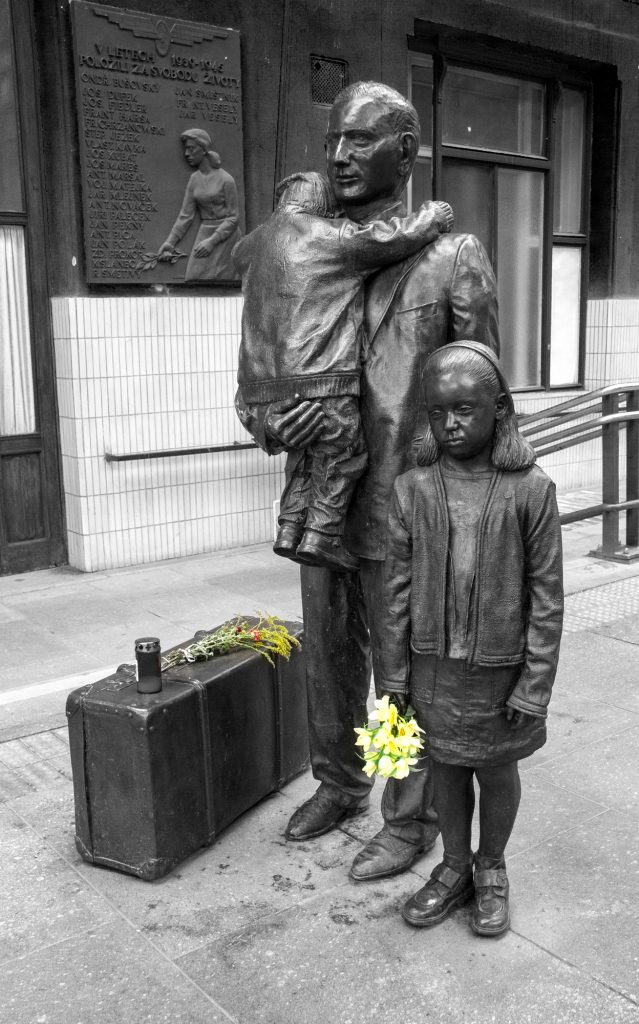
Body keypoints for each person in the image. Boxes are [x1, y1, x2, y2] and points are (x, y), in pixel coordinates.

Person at [236, 81, 499, 882]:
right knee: (327, 659)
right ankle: (338, 782)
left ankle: (406, 813)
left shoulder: (449, 255)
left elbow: (484, 392)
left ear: (405, 151)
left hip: (405, 505)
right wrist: (274, 423)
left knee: (398, 670)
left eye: (358, 140)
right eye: (333, 142)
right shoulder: (299, 245)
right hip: (323, 497)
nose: (339, 156)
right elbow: (256, 382)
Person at [380, 342, 563, 935]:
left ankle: (491, 868)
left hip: (502, 672)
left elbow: (546, 599)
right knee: (446, 768)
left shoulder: (530, 490)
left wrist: (534, 686)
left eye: (463, 409)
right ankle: (454, 866)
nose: (449, 424)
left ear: (499, 409)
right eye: (436, 413)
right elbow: (396, 594)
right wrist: (395, 678)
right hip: (433, 669)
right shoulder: (412, 489)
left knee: (497, 769)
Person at [234, 170, 453, 572]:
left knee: (305, 458)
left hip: (263, 386)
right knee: (341, 453)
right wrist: (432, 216)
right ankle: (321, 535)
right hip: (322, 379)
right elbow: (392, 238)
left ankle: (289, 528)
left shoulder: (250, 248)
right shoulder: (326, 235)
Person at [158, 128, 241, 281]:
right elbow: (186, 216)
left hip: (225, 236)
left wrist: (211, 241)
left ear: (203, 150)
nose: (186, 154)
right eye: (185, 149)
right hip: (205, 232)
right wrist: (170, 243)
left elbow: (233, 218)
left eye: (191, 148)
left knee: (220, 281)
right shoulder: (194, 179)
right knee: (193, 277)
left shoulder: (226, 179)